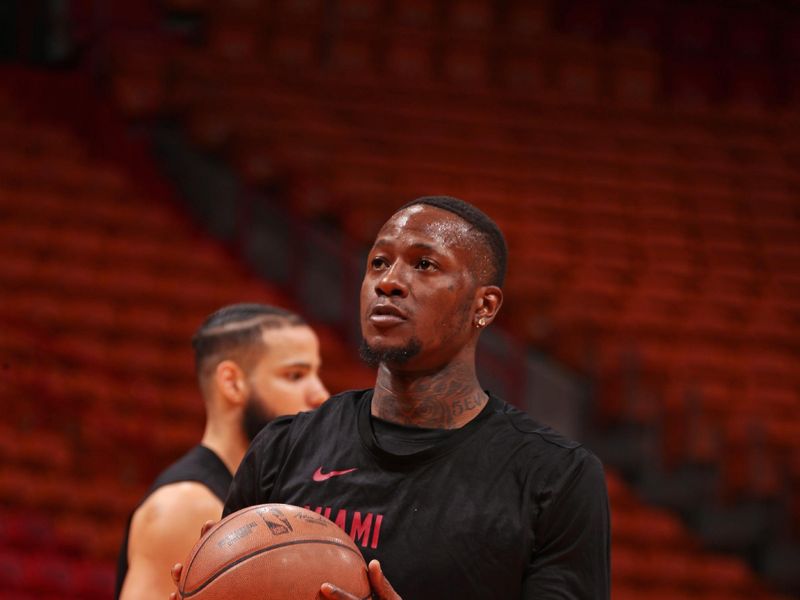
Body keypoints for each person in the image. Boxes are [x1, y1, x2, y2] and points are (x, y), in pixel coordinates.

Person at [176, 196, 610, 599]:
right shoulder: (284, 447)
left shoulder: (556, 478)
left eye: (424, 264)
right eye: (378, 262)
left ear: (485, 306)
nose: (389, 282)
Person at [116, 303, 329, 600]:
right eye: (295, 375)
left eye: (316, 373)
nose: (320, 394)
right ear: (232, 382)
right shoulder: (184, 507)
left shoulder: (268, 495)